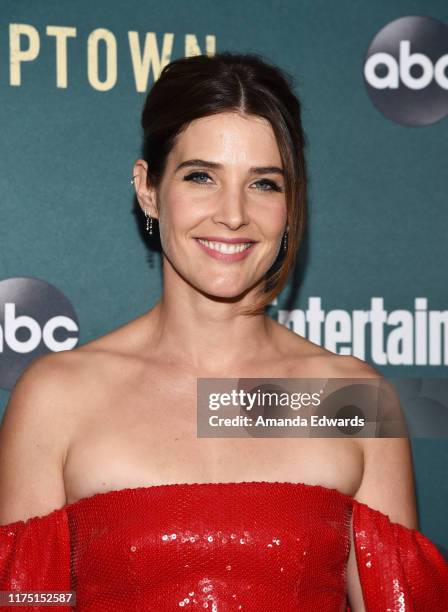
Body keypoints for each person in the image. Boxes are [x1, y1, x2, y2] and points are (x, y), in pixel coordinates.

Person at [0, 51, 447, 611]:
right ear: (147, 189)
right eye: (201, 176)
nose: (233, 214)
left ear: (291, 202)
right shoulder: (57, 397)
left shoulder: (352, 399)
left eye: (263, 184)